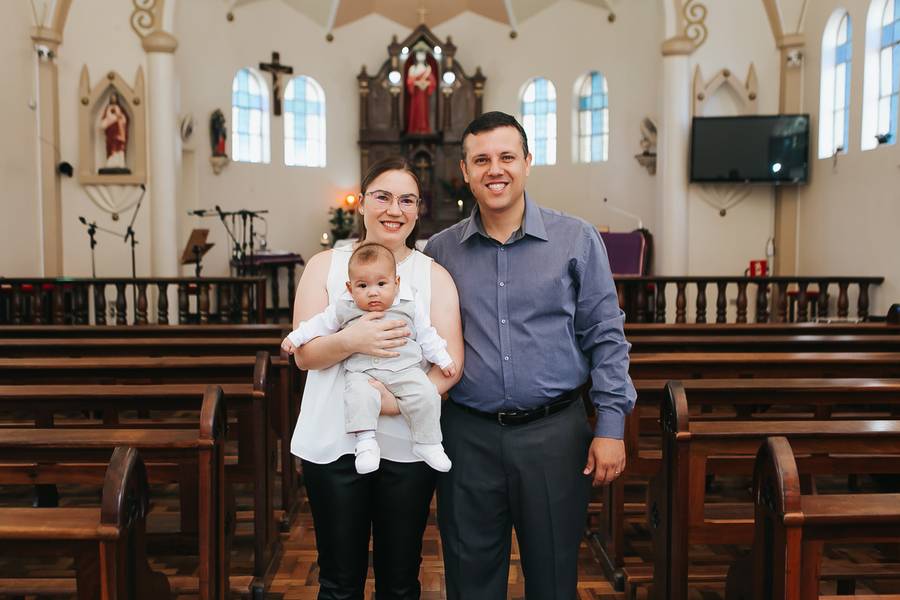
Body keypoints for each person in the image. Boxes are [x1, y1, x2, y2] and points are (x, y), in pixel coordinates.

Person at [424, 111, 636, 599]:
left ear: (527, 162)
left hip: (554, 436)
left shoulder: (576, 239)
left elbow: (606, 335)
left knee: (554, 579)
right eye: (481, 160)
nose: (494, 169)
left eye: (505, 157)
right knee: (469, 577)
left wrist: (609, 426)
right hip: (466, 436)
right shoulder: (440, 251)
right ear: (465, 171)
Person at [289, 157, 463, 599]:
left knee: (401, 581)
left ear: (418, 209)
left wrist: (389, 401)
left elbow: (450, 366)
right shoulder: (325, 265)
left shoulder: (434, 276)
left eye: (406, 200)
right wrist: (354, 339)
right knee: (339, 583)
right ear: (362, 202)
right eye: (383, 197)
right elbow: (304, 356)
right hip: (332, 442)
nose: (394, 209)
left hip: (408, 445)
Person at [282, 241, 456, 475]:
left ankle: (428, 443)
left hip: (405, 370)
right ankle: (365, 443)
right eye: (362, 286)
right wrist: (296, 337)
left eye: (381, 284)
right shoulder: (344, 307)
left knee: (426, 393)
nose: (372, 292)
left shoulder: (410, 305)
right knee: (358, 396)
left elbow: (428, 336)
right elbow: (317, 324)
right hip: (362, 372)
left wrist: (443, 359)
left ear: (396, 284)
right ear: (350, 287)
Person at [406, 49, 435, 134]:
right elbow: (409, 81)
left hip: (424, 94)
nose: (421, 56)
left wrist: (426, 84)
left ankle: (424, 128)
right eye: (419, 54)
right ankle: (414, 129)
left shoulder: (427, 68)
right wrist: (417, 83)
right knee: (415, 110)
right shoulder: (412, 68)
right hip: (415, 94)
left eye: (422, 54)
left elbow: (433, 82)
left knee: (423, 111)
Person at [99, 91, 128, 170]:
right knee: (111, 148)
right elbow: (103, 120)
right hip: (110, 133)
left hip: (119, 132)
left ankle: (119, 163)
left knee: (119, 147)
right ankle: (111, 164)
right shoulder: (108, 108)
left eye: (114, 97)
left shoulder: (120, 109)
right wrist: (109, 120)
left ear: (116, 99)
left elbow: (124, 120)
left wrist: (119, 117)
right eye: (111, 98)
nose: (113, 99)